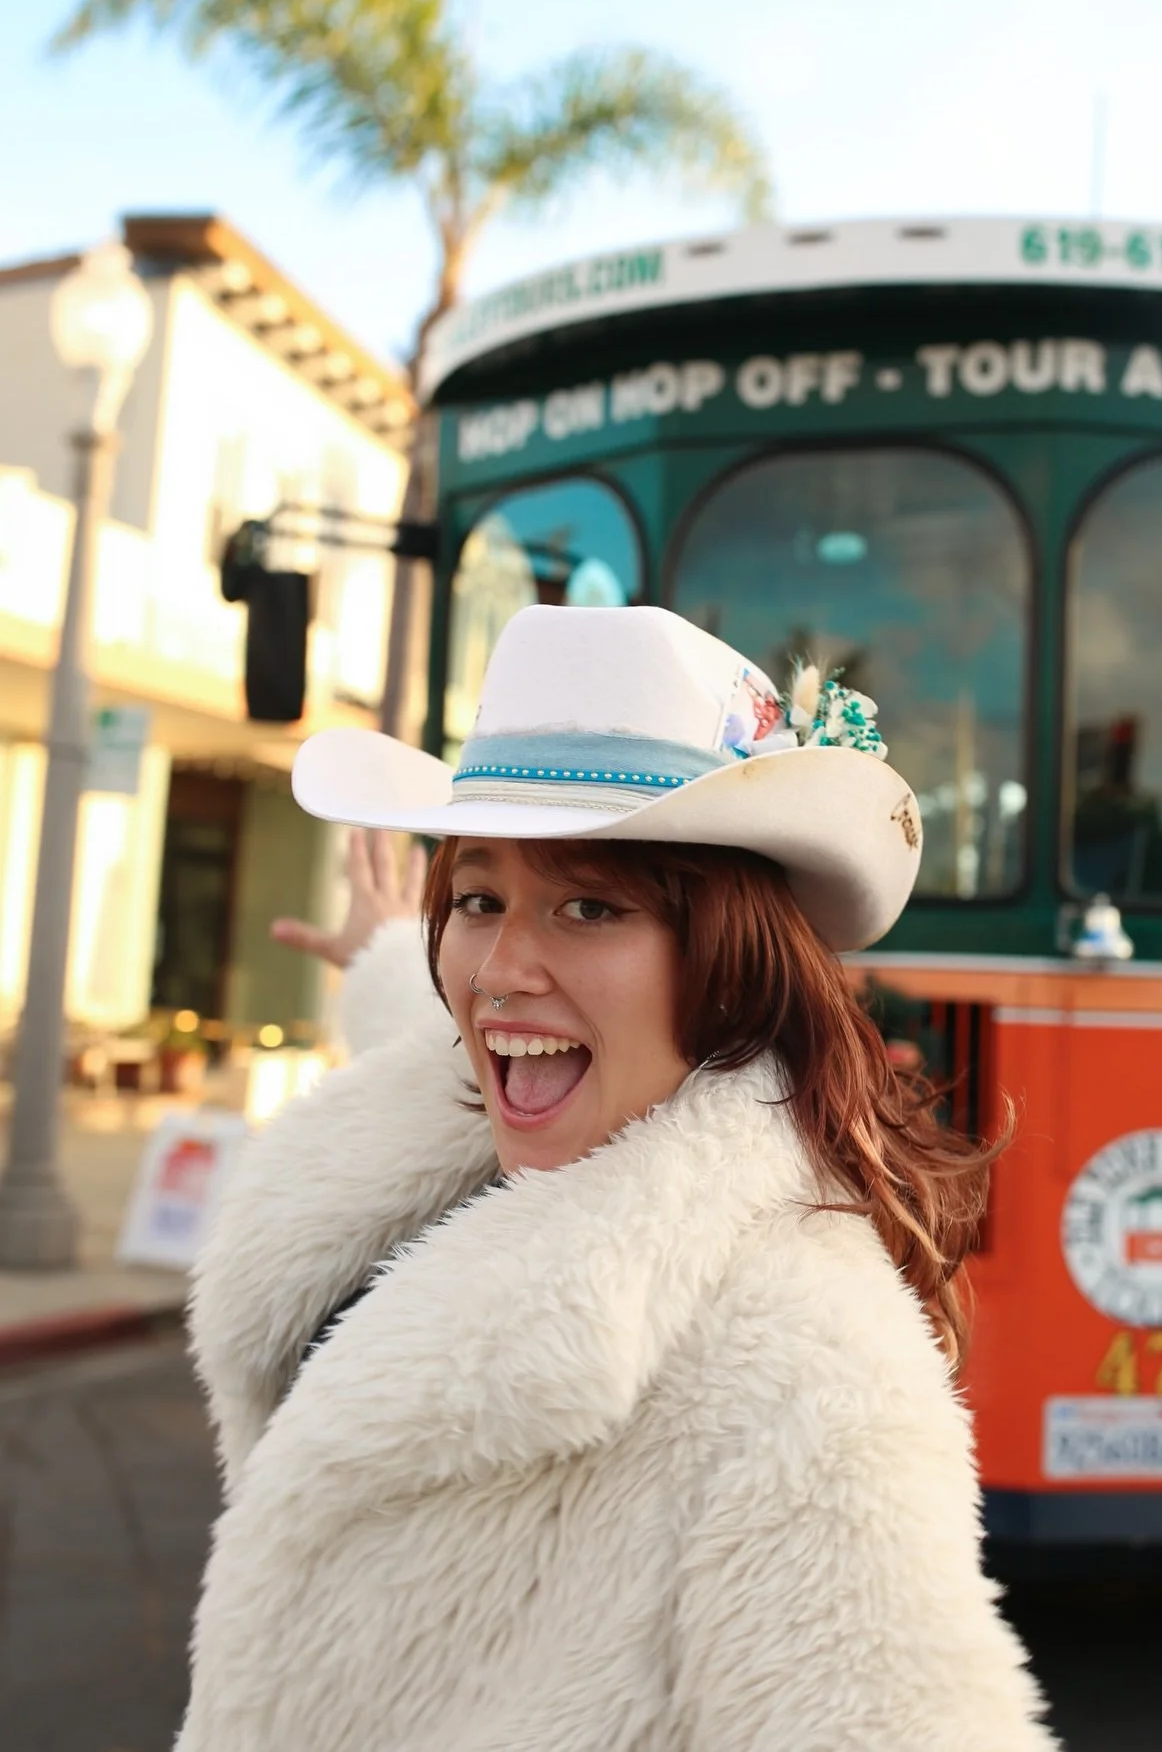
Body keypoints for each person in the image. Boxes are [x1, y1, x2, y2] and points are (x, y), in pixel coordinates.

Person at [177, 605, 1056, 1752]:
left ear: (732, 964)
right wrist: (386, 950)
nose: (498, 971)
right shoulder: (477, 1135)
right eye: (479, 898)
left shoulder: (811, 1379)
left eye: (590, 905)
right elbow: (433, 1022)